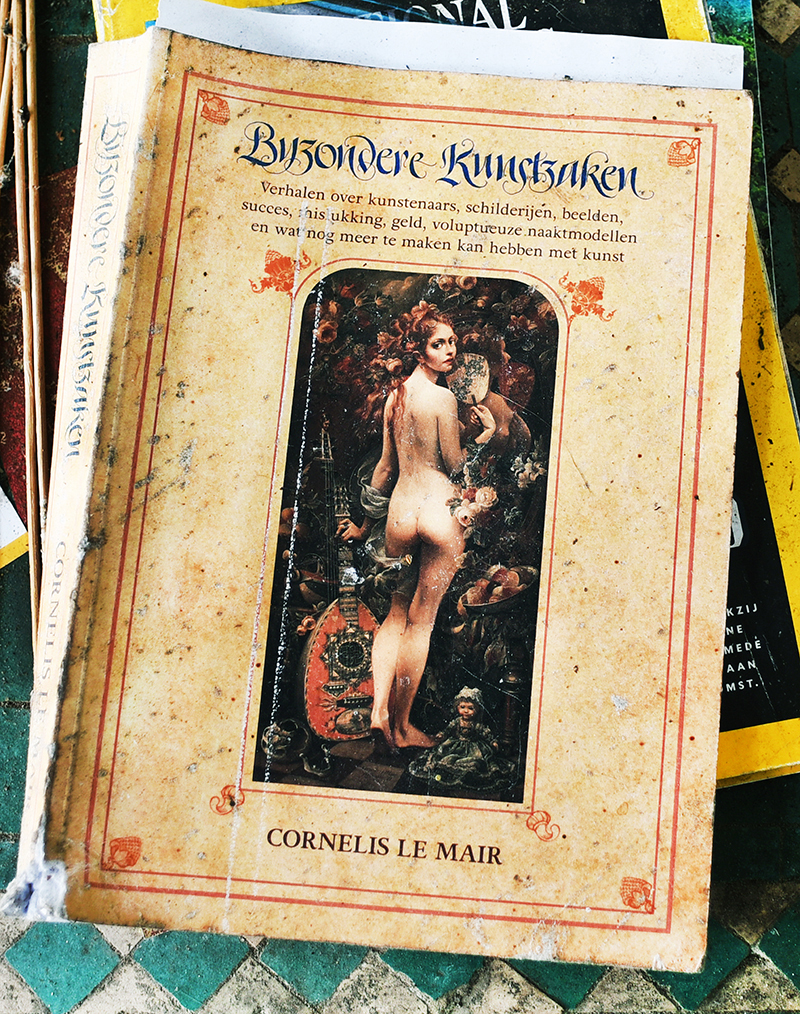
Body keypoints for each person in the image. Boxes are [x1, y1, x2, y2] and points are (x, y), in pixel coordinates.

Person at [339, 303, 495, 749]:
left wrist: (363, 523)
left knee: (395, 614)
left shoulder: (395, 398)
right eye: (438, 344)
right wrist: (482, 435)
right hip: (438, 510)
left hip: (401, 513)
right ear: (419, 350)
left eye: (452, 342)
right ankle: (403, 727)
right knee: (420, 623)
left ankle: (378, 711)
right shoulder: (444, 399)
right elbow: (456, 464)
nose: (449, 351)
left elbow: (385, 469)